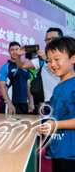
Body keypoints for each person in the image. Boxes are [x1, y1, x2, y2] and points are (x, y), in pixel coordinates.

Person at [40, 36, 75, 171]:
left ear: (73, 58)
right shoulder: (58, 87)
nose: (52, 64)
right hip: (59, 150)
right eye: (49, 60)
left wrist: (56, 124)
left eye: (57, 59)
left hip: (71, 154)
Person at [16, 28, 62, 108]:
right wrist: (18, 55)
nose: (50, 41)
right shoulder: (41, 60)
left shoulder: (68, 57)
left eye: (54, 38)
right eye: (48, 39)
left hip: (65, 101)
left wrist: (47, 60)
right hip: (48, 103)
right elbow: (21, 65)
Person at [0, 42, 34, 114]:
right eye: (12, 50)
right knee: (10, 125)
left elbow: (28, 86)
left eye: (17, 49)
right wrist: (9, 104)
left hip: (24, 104)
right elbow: (1, 87)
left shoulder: (26, 67)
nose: (15, 52)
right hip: (11, 104)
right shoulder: (5, 67)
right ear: (9, 51)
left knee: (24, 125)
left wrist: (31, 102)